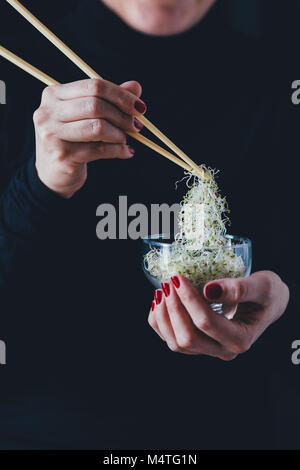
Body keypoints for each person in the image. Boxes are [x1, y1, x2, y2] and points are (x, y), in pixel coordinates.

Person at [0, 0, 297, 449]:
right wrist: (41, 184)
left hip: (228, 428)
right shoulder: (20, 59)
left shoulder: (280, 66)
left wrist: (282, 305)